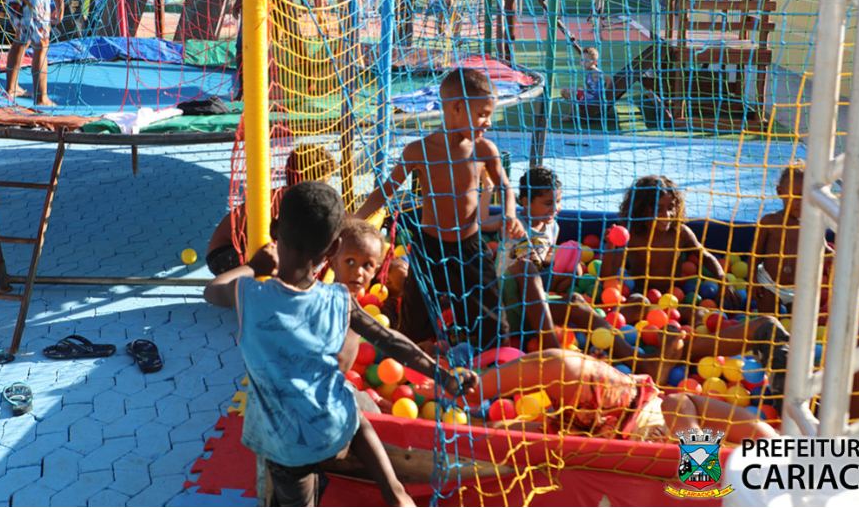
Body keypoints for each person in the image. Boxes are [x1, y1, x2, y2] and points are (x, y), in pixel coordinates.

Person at [204, 181, 477, 507]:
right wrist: (443, 375)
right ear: (333, 251)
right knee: (350, 406)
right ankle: (394, 491)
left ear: (276, 232)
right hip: (335, 429)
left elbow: (212, 290)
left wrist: (253, 266)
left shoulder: (250, 296)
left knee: (296, 493)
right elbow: (390, 340)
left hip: (287, 444)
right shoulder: (339, 299)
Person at [354, 67, 524, 348]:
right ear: (456, 107)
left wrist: (509, 215)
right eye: (483, 114)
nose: (488, 122)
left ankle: (481, 350)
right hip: (429, 248)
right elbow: (386, 190)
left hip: (469, 249)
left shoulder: (484, 150)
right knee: (413, 328)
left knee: (494, 328)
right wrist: (357, 219)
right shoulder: (418, 150)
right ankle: (411, 325)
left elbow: (505, 186)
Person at [600, 175, 791, 393]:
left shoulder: (679, 231)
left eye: (671, 207)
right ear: (641, 210)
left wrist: (721, 279)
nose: (667, 215)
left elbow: (705, 256)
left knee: (701, 315)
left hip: (678, 297)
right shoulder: (632, 233)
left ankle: (697, 353)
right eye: (657, 209)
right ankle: (632, 348)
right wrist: (610, 246)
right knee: (633, 306)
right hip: (643, 295)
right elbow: (608, 275)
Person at [497, 167, 683, 380]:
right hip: (507, 308)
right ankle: (556, 353)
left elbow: (542, 259)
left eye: (558, 202)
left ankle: (623, 358)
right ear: (526, 202)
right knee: (569, 299)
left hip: (530, 299)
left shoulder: (552, 227)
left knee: (576, 298)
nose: (556, 209)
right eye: (548, 204)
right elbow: (520, 274)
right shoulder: (516, 230)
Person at [465, 347, 776, 444]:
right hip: (629, 409)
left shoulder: (739, 492)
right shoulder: (760, 436)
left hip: (601, 446)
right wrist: (697, 457)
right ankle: (470, 389)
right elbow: (677, 401)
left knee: (496, 440)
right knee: (559, 366)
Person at [205, 144, 337, 275]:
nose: (326, 187)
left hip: (245, 247)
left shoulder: (297, 198)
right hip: (223, 254)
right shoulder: (280, 201)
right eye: (324, 182)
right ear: (308, 181)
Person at [749, 163, 833, 315]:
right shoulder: (770, 221)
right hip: (769, 284)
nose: (802, 203)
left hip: (799, 288)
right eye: (796, 196)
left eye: (807, 197)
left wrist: (833, 258)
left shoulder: (813, 224)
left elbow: (823, 247)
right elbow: (755, 253)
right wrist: (752, 279)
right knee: (767, 323)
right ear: (780, 192)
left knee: (799, 328)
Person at [559, 47, 613, 124]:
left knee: (572, 92)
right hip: (587, 97)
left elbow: (609, 79)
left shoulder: (595, 72)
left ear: (594, 62)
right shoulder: (590, 72)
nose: (583, 63)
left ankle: (571, 116)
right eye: (581, 60)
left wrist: (605, 95)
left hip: (592, 100)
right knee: (564, 90)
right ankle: (579, 110)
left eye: (586, 61)